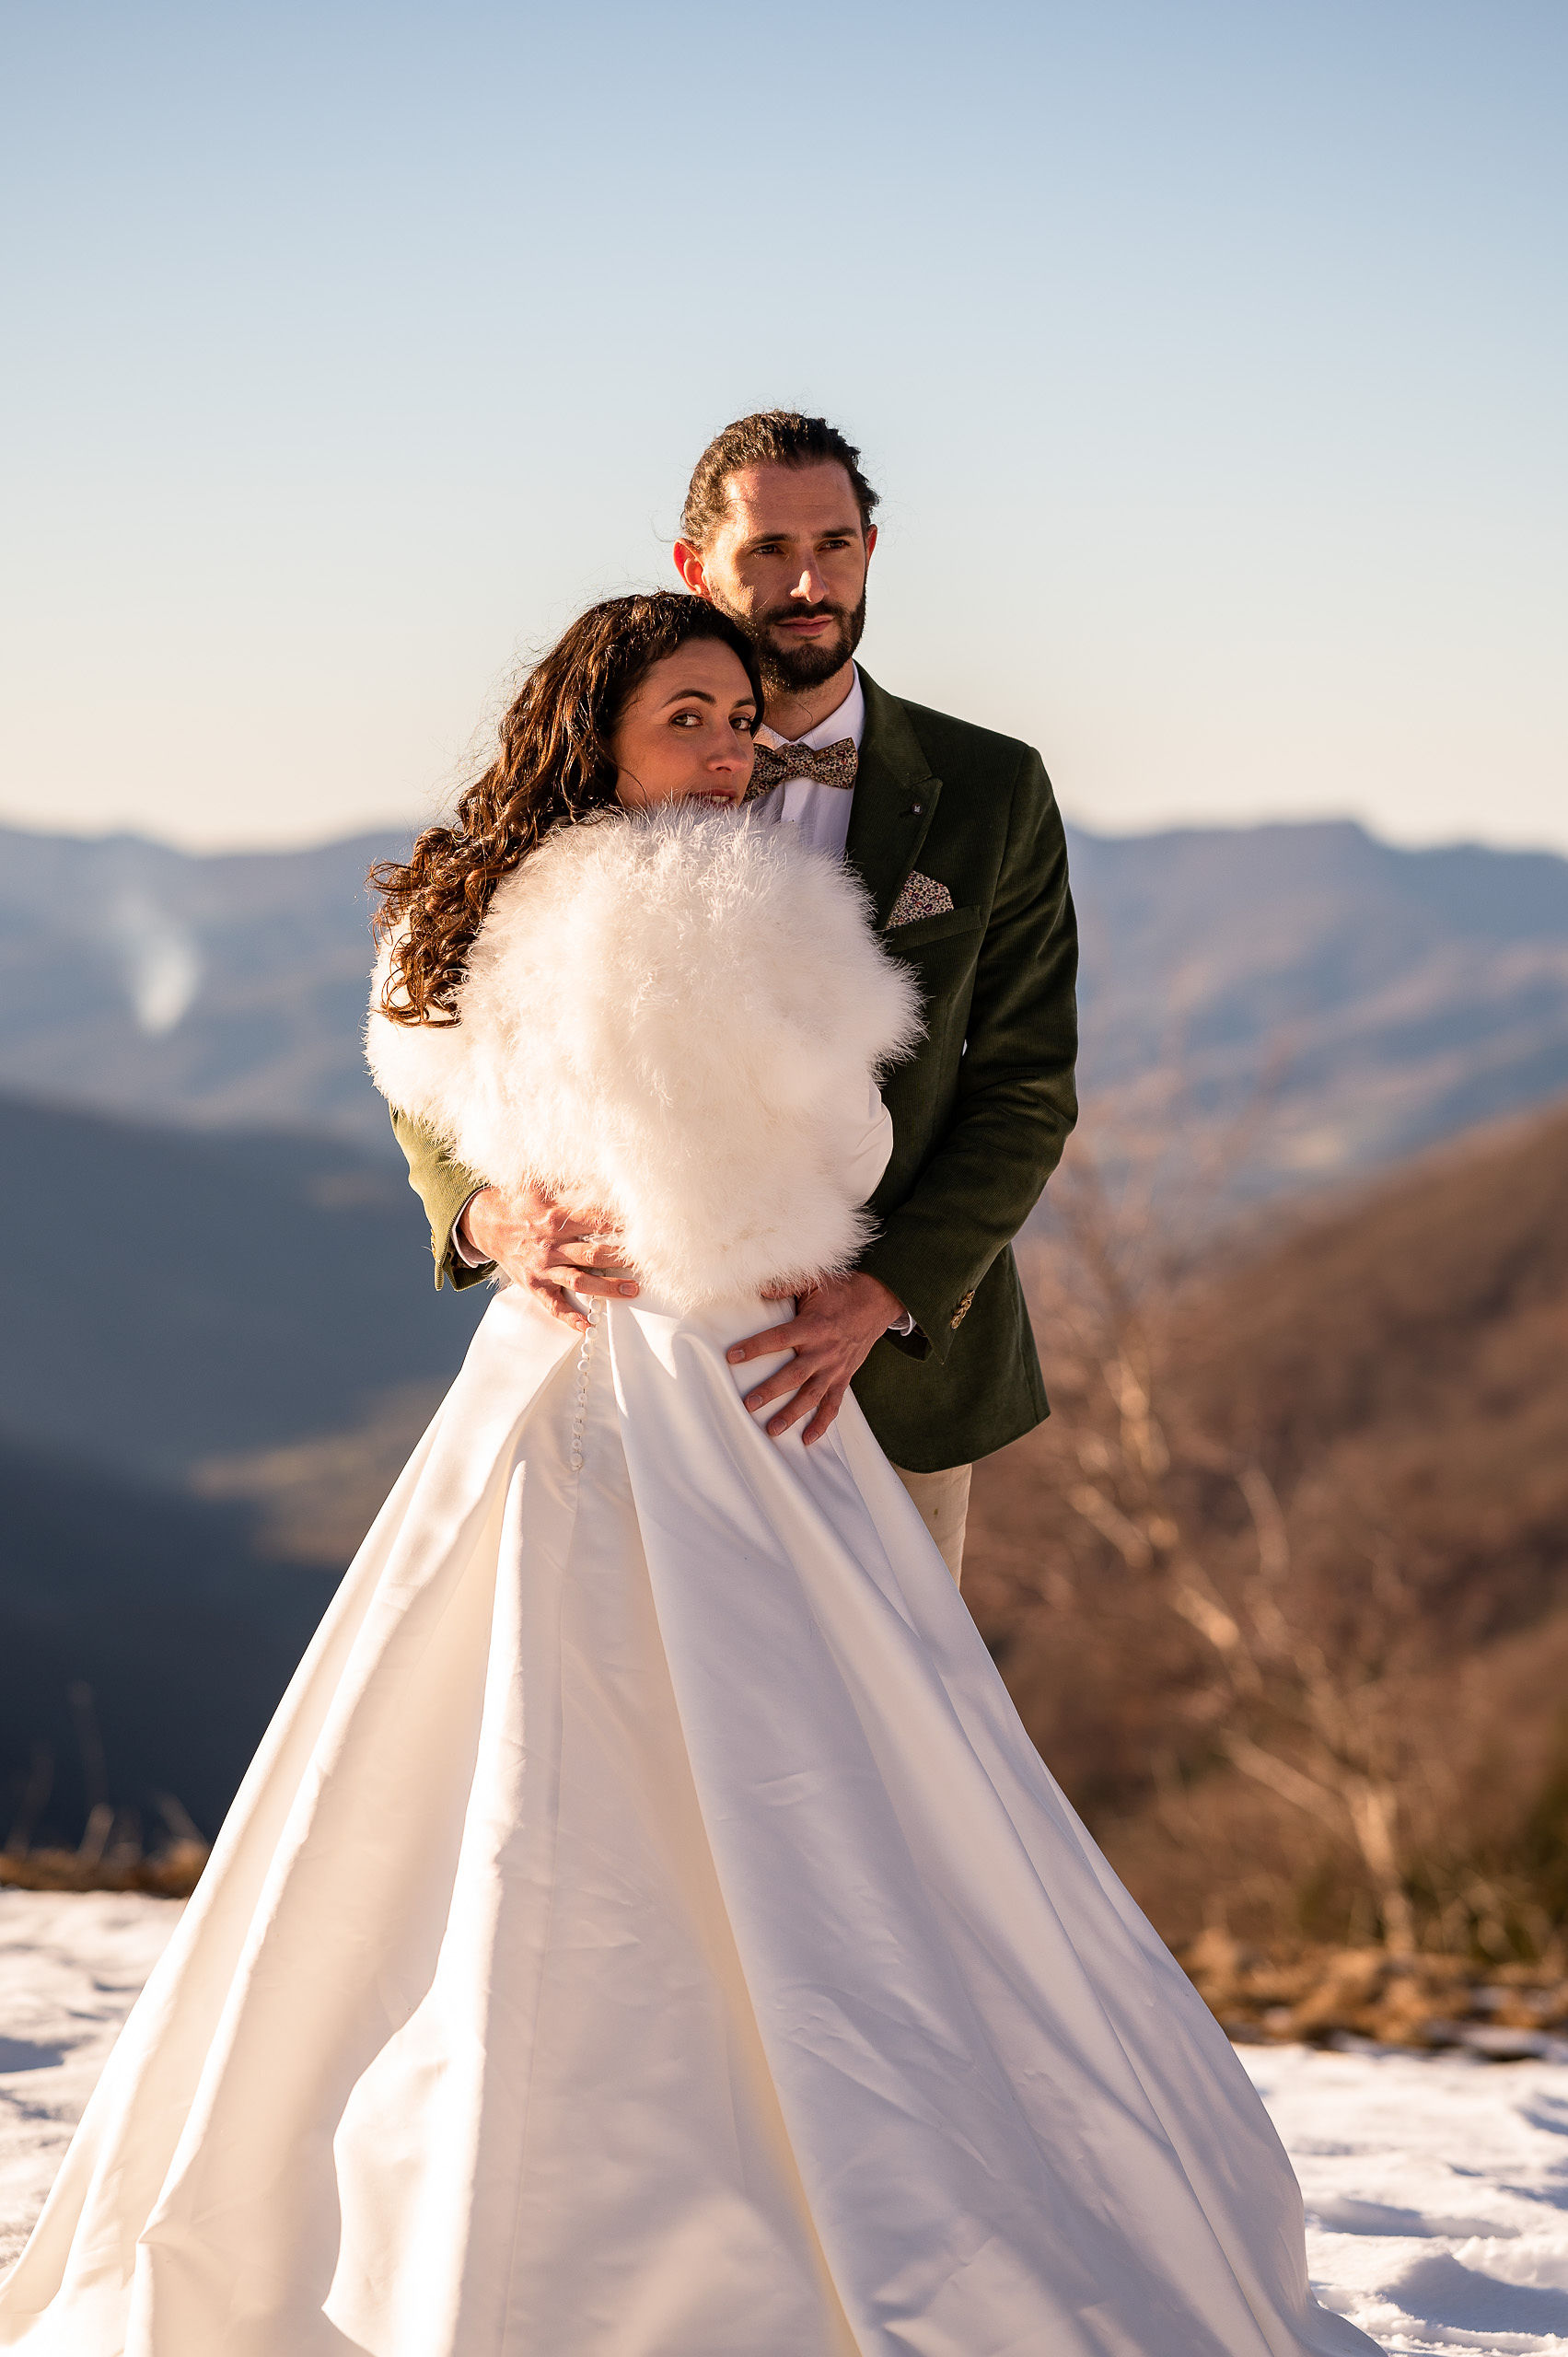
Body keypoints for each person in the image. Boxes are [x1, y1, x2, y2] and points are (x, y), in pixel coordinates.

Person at [0, 590, 1378, 2356]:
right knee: (814, 1791)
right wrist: (532, 1213)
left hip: (596, 1379)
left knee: (499, 1772)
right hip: (716, 1382)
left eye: (739, 723)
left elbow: (433, 1074)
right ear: (604, 733)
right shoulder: (746, 920)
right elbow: (822, 1150)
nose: (730, 753)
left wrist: (533, 1202)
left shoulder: (483, 909)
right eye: (691, 721)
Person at [393, 411, 1081, 1585]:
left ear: (872, 548)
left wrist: (885, 1293)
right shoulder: (595, 760)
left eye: (834, 544)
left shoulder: (990, 787)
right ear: (693, 564)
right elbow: (437, 1015)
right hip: (635, 1361)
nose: (805, 581)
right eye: (766, 549)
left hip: (887, 1369)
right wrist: (482, 1213)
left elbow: (1024, 1083)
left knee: (897, 1745)